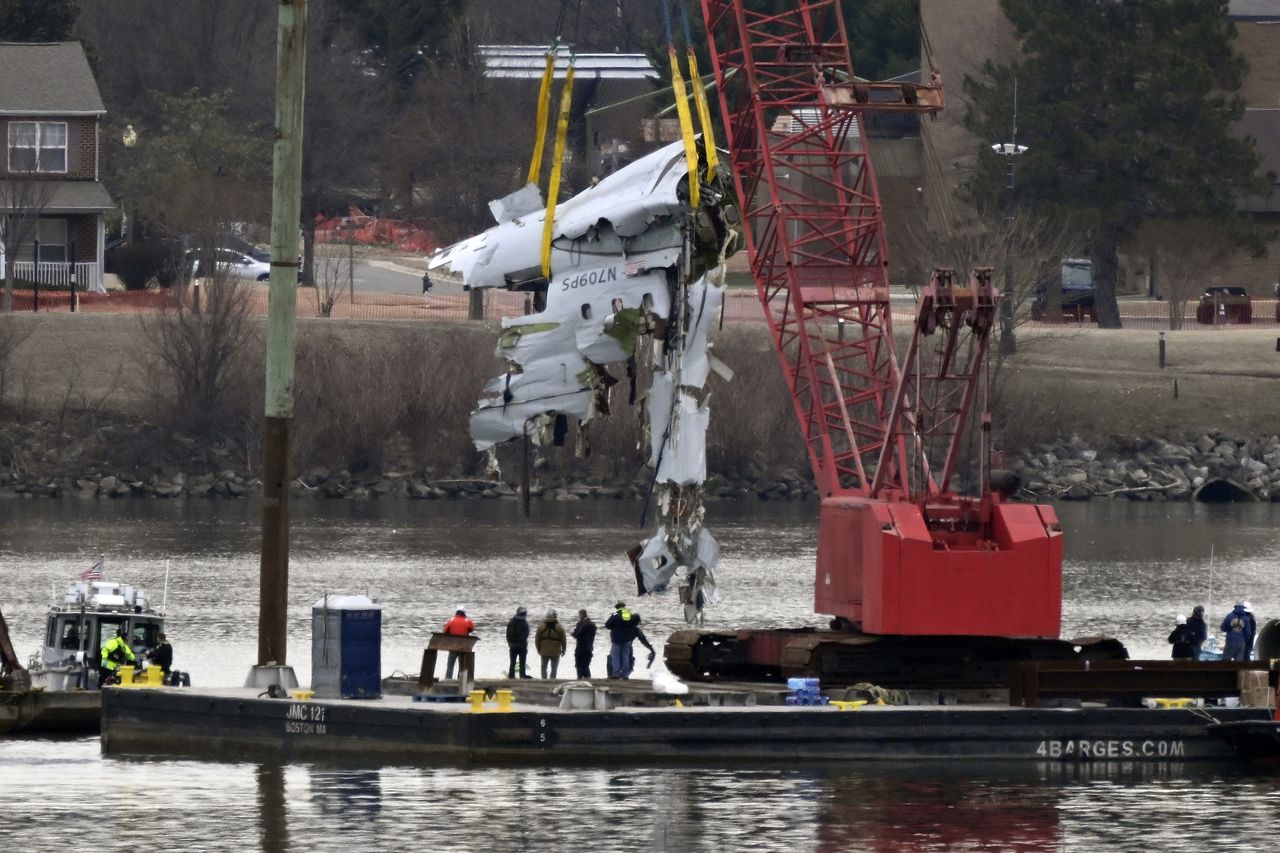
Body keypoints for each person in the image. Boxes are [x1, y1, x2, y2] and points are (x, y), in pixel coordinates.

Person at [605, 601, 654, 679]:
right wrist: (651, 649)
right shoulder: (629, 616)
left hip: (617, 640)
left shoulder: (615, 615)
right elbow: (642, 638)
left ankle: (615, 674)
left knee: (614, 656)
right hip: (627, 641)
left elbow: (607, 625)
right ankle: (625, 674)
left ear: (617, 607)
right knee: (626, 656)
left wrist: (614, 628)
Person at [442, 606, 475, 680]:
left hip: (453, 646)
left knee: (450, 665)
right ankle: (460, 680)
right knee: (462, 665)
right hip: (463, 647)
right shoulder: (468, 621)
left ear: (456, 612)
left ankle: (448, 680)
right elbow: (472, 629)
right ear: (464, 613)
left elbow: (445, 631)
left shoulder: (452, 619)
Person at [535, 609, 568, 679]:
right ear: (555, 617)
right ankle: (552, 680)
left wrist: (538, 649)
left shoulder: (541, 627)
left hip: (544, 651)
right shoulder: (560, 627)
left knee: (543, 667)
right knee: (554, 668)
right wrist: (564, 650)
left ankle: (544, 680)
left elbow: (537, 640)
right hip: (556, 652)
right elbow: (564, 640)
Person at [506, 606, 531, 679]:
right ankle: (522, 675)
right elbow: (526, 634)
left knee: (512, 662)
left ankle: (511, 675)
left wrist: (510, 643)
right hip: (522, 646)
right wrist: (522, 641)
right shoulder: (524, 623)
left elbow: (507, 634)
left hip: (512, 646)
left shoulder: (511, 622)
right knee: (522, 662)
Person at [571, 609, 596, 678]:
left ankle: (579, 678)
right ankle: (587, 678)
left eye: (579, 615)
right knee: (586, 665)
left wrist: (572, 633)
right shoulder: (593, 624)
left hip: (581, 647)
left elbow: (577, 634)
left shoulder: (580, 623)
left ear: (581, 615)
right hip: (589, 647)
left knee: (579, 664)